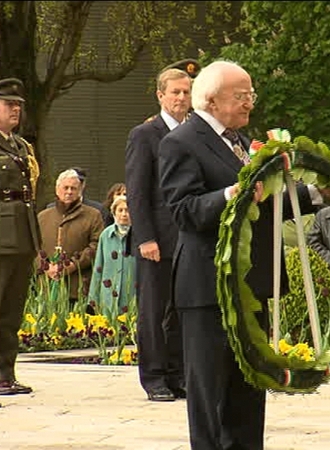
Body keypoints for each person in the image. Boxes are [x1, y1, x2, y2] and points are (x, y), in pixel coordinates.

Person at [158, 59, 330, 450]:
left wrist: (318, 193)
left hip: (251, 283)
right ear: (212, 100)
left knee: (248, 390)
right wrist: (232, 194)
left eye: (251, 95)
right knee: (210, 392)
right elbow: (183, 210)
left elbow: (270, 200)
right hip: (209, 286)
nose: (249, 103)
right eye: (241, 95)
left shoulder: (243, 143)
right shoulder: (181, 142)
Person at [125, 59, 198, 402]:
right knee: (154, 312)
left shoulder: (193, 133)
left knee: (181, 310)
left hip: (186, 237)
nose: (181, 98)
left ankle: (177, 374)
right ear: (160, 95)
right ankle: (154, 377)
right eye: (175, 92)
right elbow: (138, 190)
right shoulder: (145, 134)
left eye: (186, 92)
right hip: (156, 240)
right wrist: (145, 238)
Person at [0, 78, 41, 396]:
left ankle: (7, 371)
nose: (16, 110)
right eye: (9, 105)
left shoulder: (21, 146)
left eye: (18, 106)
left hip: (22, 232)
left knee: (12, 308)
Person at [36, 169, 104, 307]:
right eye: (65, 187)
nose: (69, 192)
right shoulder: (43, 217)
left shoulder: (93, 215)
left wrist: (73, 265)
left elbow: (97, 245)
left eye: (73, 188)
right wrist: (46, 266)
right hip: (47, 289)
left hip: (78, 288)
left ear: (80, 191)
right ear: (57, 190)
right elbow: (33, 246)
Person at [88, 195, 136, 314]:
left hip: (132, 297)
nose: (124, 214)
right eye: (120, 210)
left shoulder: (140, 236)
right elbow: (98, 268)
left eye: (127, 210)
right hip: (108, 299)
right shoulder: (105, 235)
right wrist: (93, 300)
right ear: (114, 213)